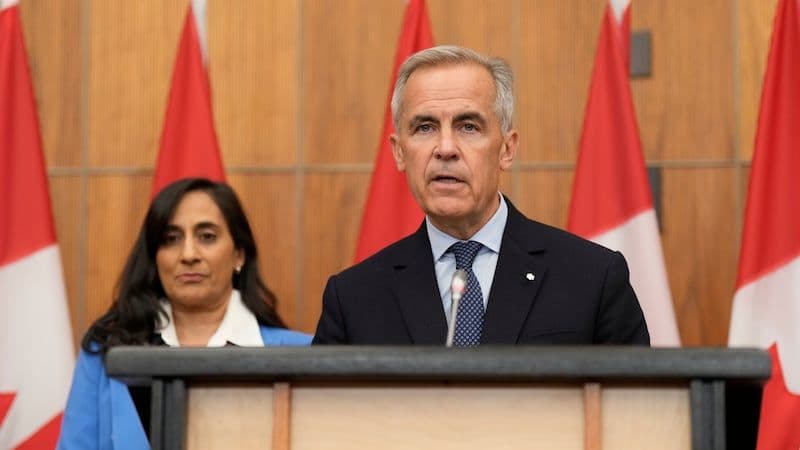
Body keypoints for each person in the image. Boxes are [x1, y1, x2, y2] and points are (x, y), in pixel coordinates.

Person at [313, 45, 649, 346]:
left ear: (507, 149)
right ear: (399, 152)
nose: (445, 148)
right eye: (425, 128)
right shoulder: (353, 298)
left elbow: (634, 396)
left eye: (468, 127)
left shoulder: (593, 278)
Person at [58, 178, 311, 449]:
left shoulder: (304, 356)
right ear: (155, 257)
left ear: (239, 254)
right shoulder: (105, 351)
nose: (188, 254)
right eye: (171, 239)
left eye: (207, 237)